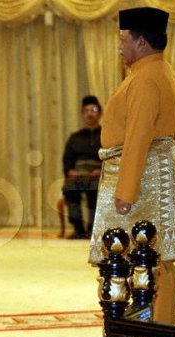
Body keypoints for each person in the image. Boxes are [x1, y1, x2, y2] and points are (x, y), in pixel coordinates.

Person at [89, 7, 175, 326]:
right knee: (151, 259)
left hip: (144, 177)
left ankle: (153, 335)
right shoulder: (156, 71)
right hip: (149, 171)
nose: (119, 44)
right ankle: (151, 333)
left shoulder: (145, 79)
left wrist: (125, 191)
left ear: (141, 41)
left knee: (147, 259)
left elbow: (139, 136)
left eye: (123, 38)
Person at [62, 95, 102, 239]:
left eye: (94, 110)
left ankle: (93, 229)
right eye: (86, 111)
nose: (90, 113)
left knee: (95, 192)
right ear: (82, 114)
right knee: (69, 189)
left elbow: (112, 156)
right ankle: (78, 229)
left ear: (100, 113)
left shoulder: (106, 135)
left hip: (98, 176)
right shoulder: (75, 137)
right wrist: (69, 171)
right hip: (78, 176)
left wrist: (102, 170)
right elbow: (67, 159)